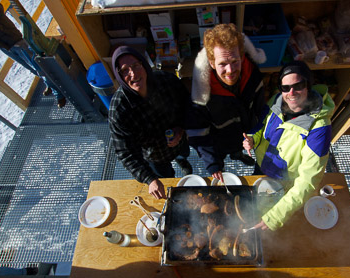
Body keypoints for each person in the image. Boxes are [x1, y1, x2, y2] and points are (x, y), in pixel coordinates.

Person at [243, 60, 335, 231]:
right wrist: (252, 139)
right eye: (285, 88)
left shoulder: (319, 127)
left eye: (298, 85)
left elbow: (308, 181)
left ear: (308, 85)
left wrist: (276, 216)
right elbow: (261, 126)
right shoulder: (276, 101)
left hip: (286, 185)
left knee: (271, 225)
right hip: (262, 167)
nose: (291, 92)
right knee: (250, 212)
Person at [186, 23, 267, 183]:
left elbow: (260, 109)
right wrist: (212, 164)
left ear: (242, 56)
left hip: (245, 135)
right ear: (211, 62)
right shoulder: (202, 93)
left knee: (238, 150)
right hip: (219, 142)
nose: (230, 70)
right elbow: (198, 132)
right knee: (219, 161)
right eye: (222, 64)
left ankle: (239, 155)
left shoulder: (253, 76)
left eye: (235, 61)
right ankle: (222, 163)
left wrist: (256, 135)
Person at [109, 46, 193, 200]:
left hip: (180, 141)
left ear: (144, 64)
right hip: (154, 156)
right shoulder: (119, 109)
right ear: (119, 76)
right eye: (125, 70)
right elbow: (125, 152)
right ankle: (170, 174)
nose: (133, 74)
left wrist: (182, 129)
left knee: (183, 155)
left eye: (135, 65)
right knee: (166, 177)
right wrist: (149, 179)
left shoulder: (167, 81)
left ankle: (183, 163)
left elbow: (188, 106)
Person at [0, 0, 66, 108]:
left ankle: (59, 91)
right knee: (31, 68)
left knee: (39, 66)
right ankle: (50, 84)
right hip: (3, 46)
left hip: (13, 38)